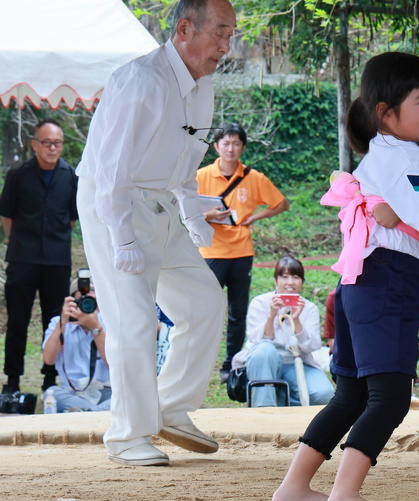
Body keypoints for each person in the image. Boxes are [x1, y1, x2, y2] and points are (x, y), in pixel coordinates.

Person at [271, 52, 419, 501]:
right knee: (390, 396)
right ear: (385, 113)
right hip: (387, 279)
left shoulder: (390, 152)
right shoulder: (404, 157)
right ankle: (344, 495)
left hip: (361, 280)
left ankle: (294, 486)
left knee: (352, 393)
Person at [74, 0, 234, 466]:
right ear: (184, 29)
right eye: (220, 33)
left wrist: (193, 213)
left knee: (204, 302)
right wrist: (121, 236)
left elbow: (185, 159)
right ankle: (127, 434)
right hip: (115, 202)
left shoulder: (203, 84)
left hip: (161, 202)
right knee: (134, 318)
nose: (226, 46)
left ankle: (170, 408)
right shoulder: (142, 80)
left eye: (231, 36)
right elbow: (111, 168)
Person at [197, 123, 290, 381]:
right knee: (205, 310)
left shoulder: (253, 177)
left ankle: (231, 365)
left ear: (243, 147)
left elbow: (282, 204)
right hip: (210, 251)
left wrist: (255, 216)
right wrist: (209, 215)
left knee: (238, 313)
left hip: (241, 252)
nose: (231, 149)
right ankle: (200, 365)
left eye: (236, 143)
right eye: (226, 143)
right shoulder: (201, 176)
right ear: (216, 147)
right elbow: (184, 211)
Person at [0, 118, 78, 395]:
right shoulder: (18, 174)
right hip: (23, 258)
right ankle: (12, 382)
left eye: (57, 143)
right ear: (35, 145)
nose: (52, 148)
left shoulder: (70, 176)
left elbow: (71, 219)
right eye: (47, 143)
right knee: (17, 322)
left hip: (57, 261)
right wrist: (21, 242)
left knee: (55, 321)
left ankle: (50, 380)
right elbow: (7, 216)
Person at [231, 256, 334, 407]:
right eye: (284, 277)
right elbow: (256, 342)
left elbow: (312, 346)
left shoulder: (309, 308)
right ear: (276, 280)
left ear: (302, 282)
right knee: (265, 350)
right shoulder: (260, 303)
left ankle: (285, 405)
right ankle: (264, 409)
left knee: (323, 394)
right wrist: (272, 315)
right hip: (263, 363)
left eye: (296, 277)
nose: (290, 282)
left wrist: (296, 320)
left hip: (296, 362)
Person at [41, 276, 111, 413]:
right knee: (53, 393)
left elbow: (113, 363)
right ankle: (96, 412)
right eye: (84, 298)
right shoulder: (58, 323)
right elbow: (49, 359)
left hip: (106, 391)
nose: (88, 303)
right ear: (72, 300)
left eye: (93, 298)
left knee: (126, 397)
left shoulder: (109, 322)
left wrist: (95, 328)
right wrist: (63, 321)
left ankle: (84, 413)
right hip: (74, 393)